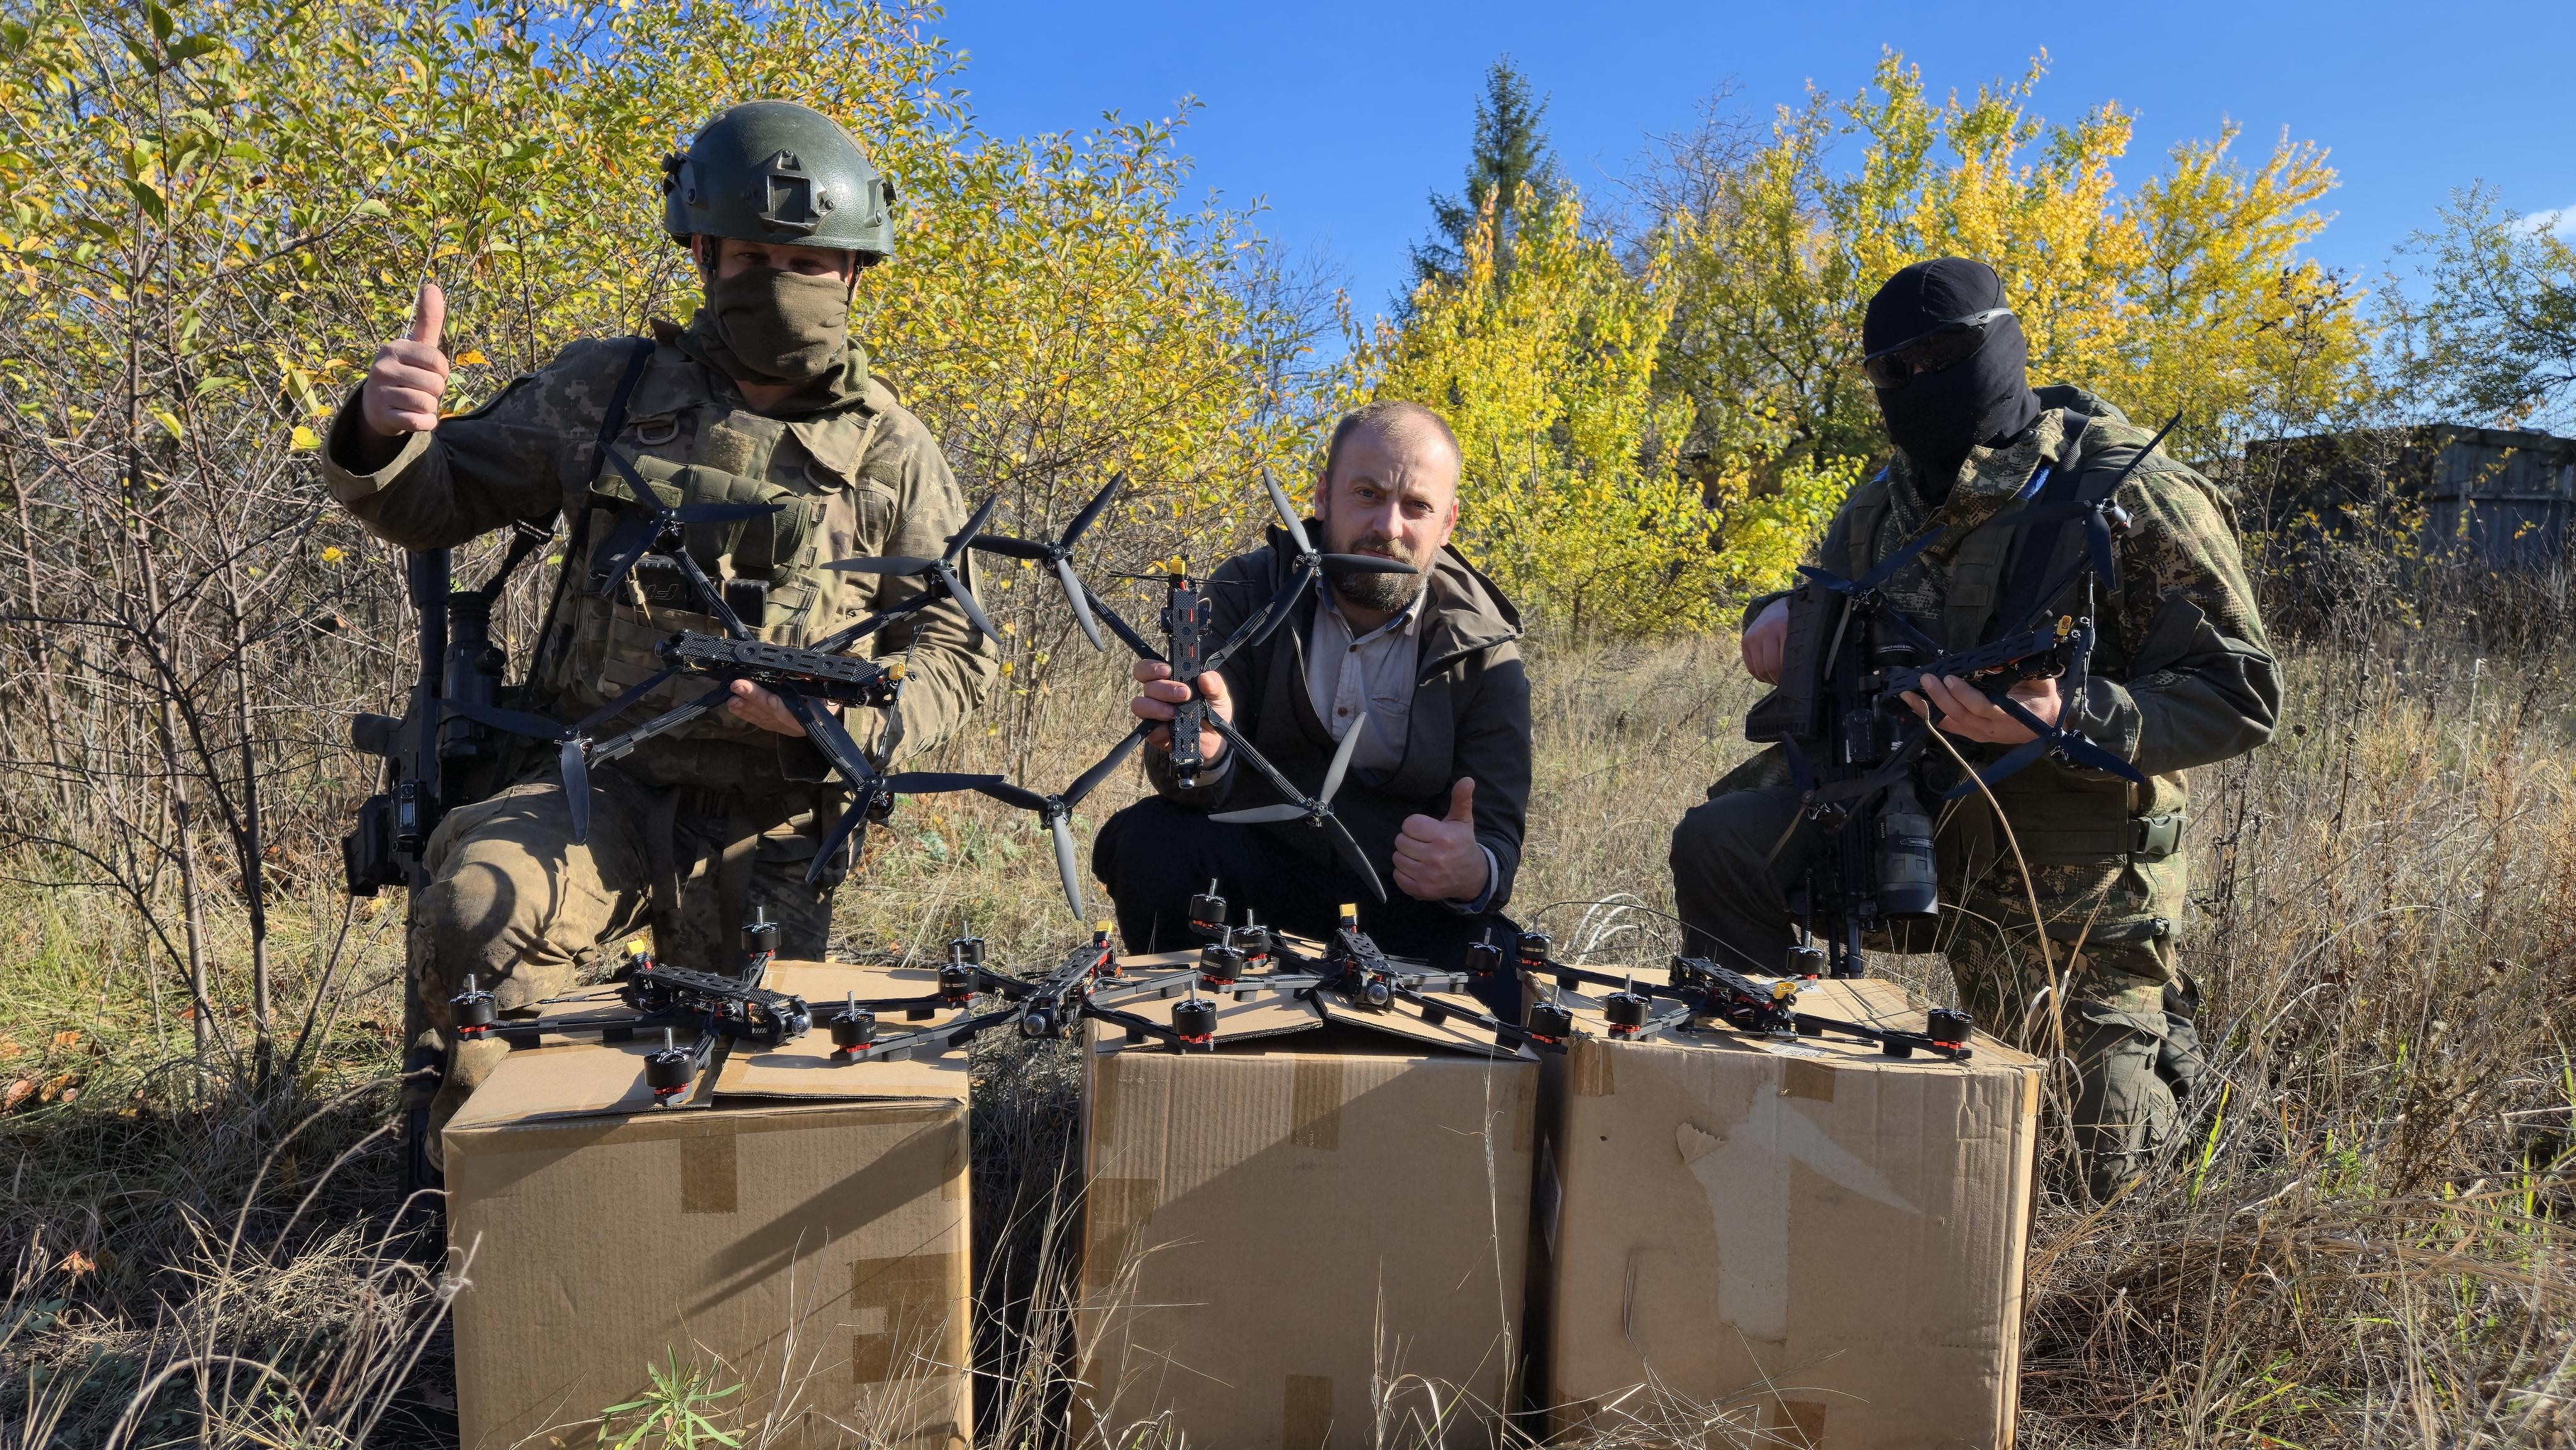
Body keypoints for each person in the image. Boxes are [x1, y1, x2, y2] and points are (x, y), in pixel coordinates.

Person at [324, 101, 996, 1173]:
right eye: (752, 257)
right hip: (594, 779)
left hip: (776, 815)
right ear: (700, 255)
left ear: (855, 269)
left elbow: (958, 644)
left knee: (749, 1079)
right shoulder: (610, 389)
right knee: (478, 908)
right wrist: (380, 426)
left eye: (807, 260)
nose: (780, 282)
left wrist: (855, 720)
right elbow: (430, 501)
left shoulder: (894, 451)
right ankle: (468, 1189)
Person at [1669, 257, 2279, 1200]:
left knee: (2088, 1173)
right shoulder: (1882, 502)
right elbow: (1823, 593)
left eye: (1945, 357)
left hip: (2063, 870)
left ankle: (2169, 1063)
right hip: (1898, 819)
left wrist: (2066, 712)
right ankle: (1763, 1107)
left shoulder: (2125, 488)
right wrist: (1777, 614)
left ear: (2004, 346)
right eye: (1891, 371)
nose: (1918, 384)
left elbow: (2241, 692)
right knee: (1721, 842)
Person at [1091, 401, 1530, 1000]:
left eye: (1417, 506)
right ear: (1323, 497)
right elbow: (1185, 780)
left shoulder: (1485, 650)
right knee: (1151, 841)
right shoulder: (1249, 590)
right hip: (1258, 889)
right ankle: (1191, 1025)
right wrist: (1207, 755)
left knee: (1505, 974)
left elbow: (1498, 842)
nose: (1389, 527)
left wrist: (1471, 870)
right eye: (1367, 494)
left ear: (1447, 522)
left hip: (1400, 902)